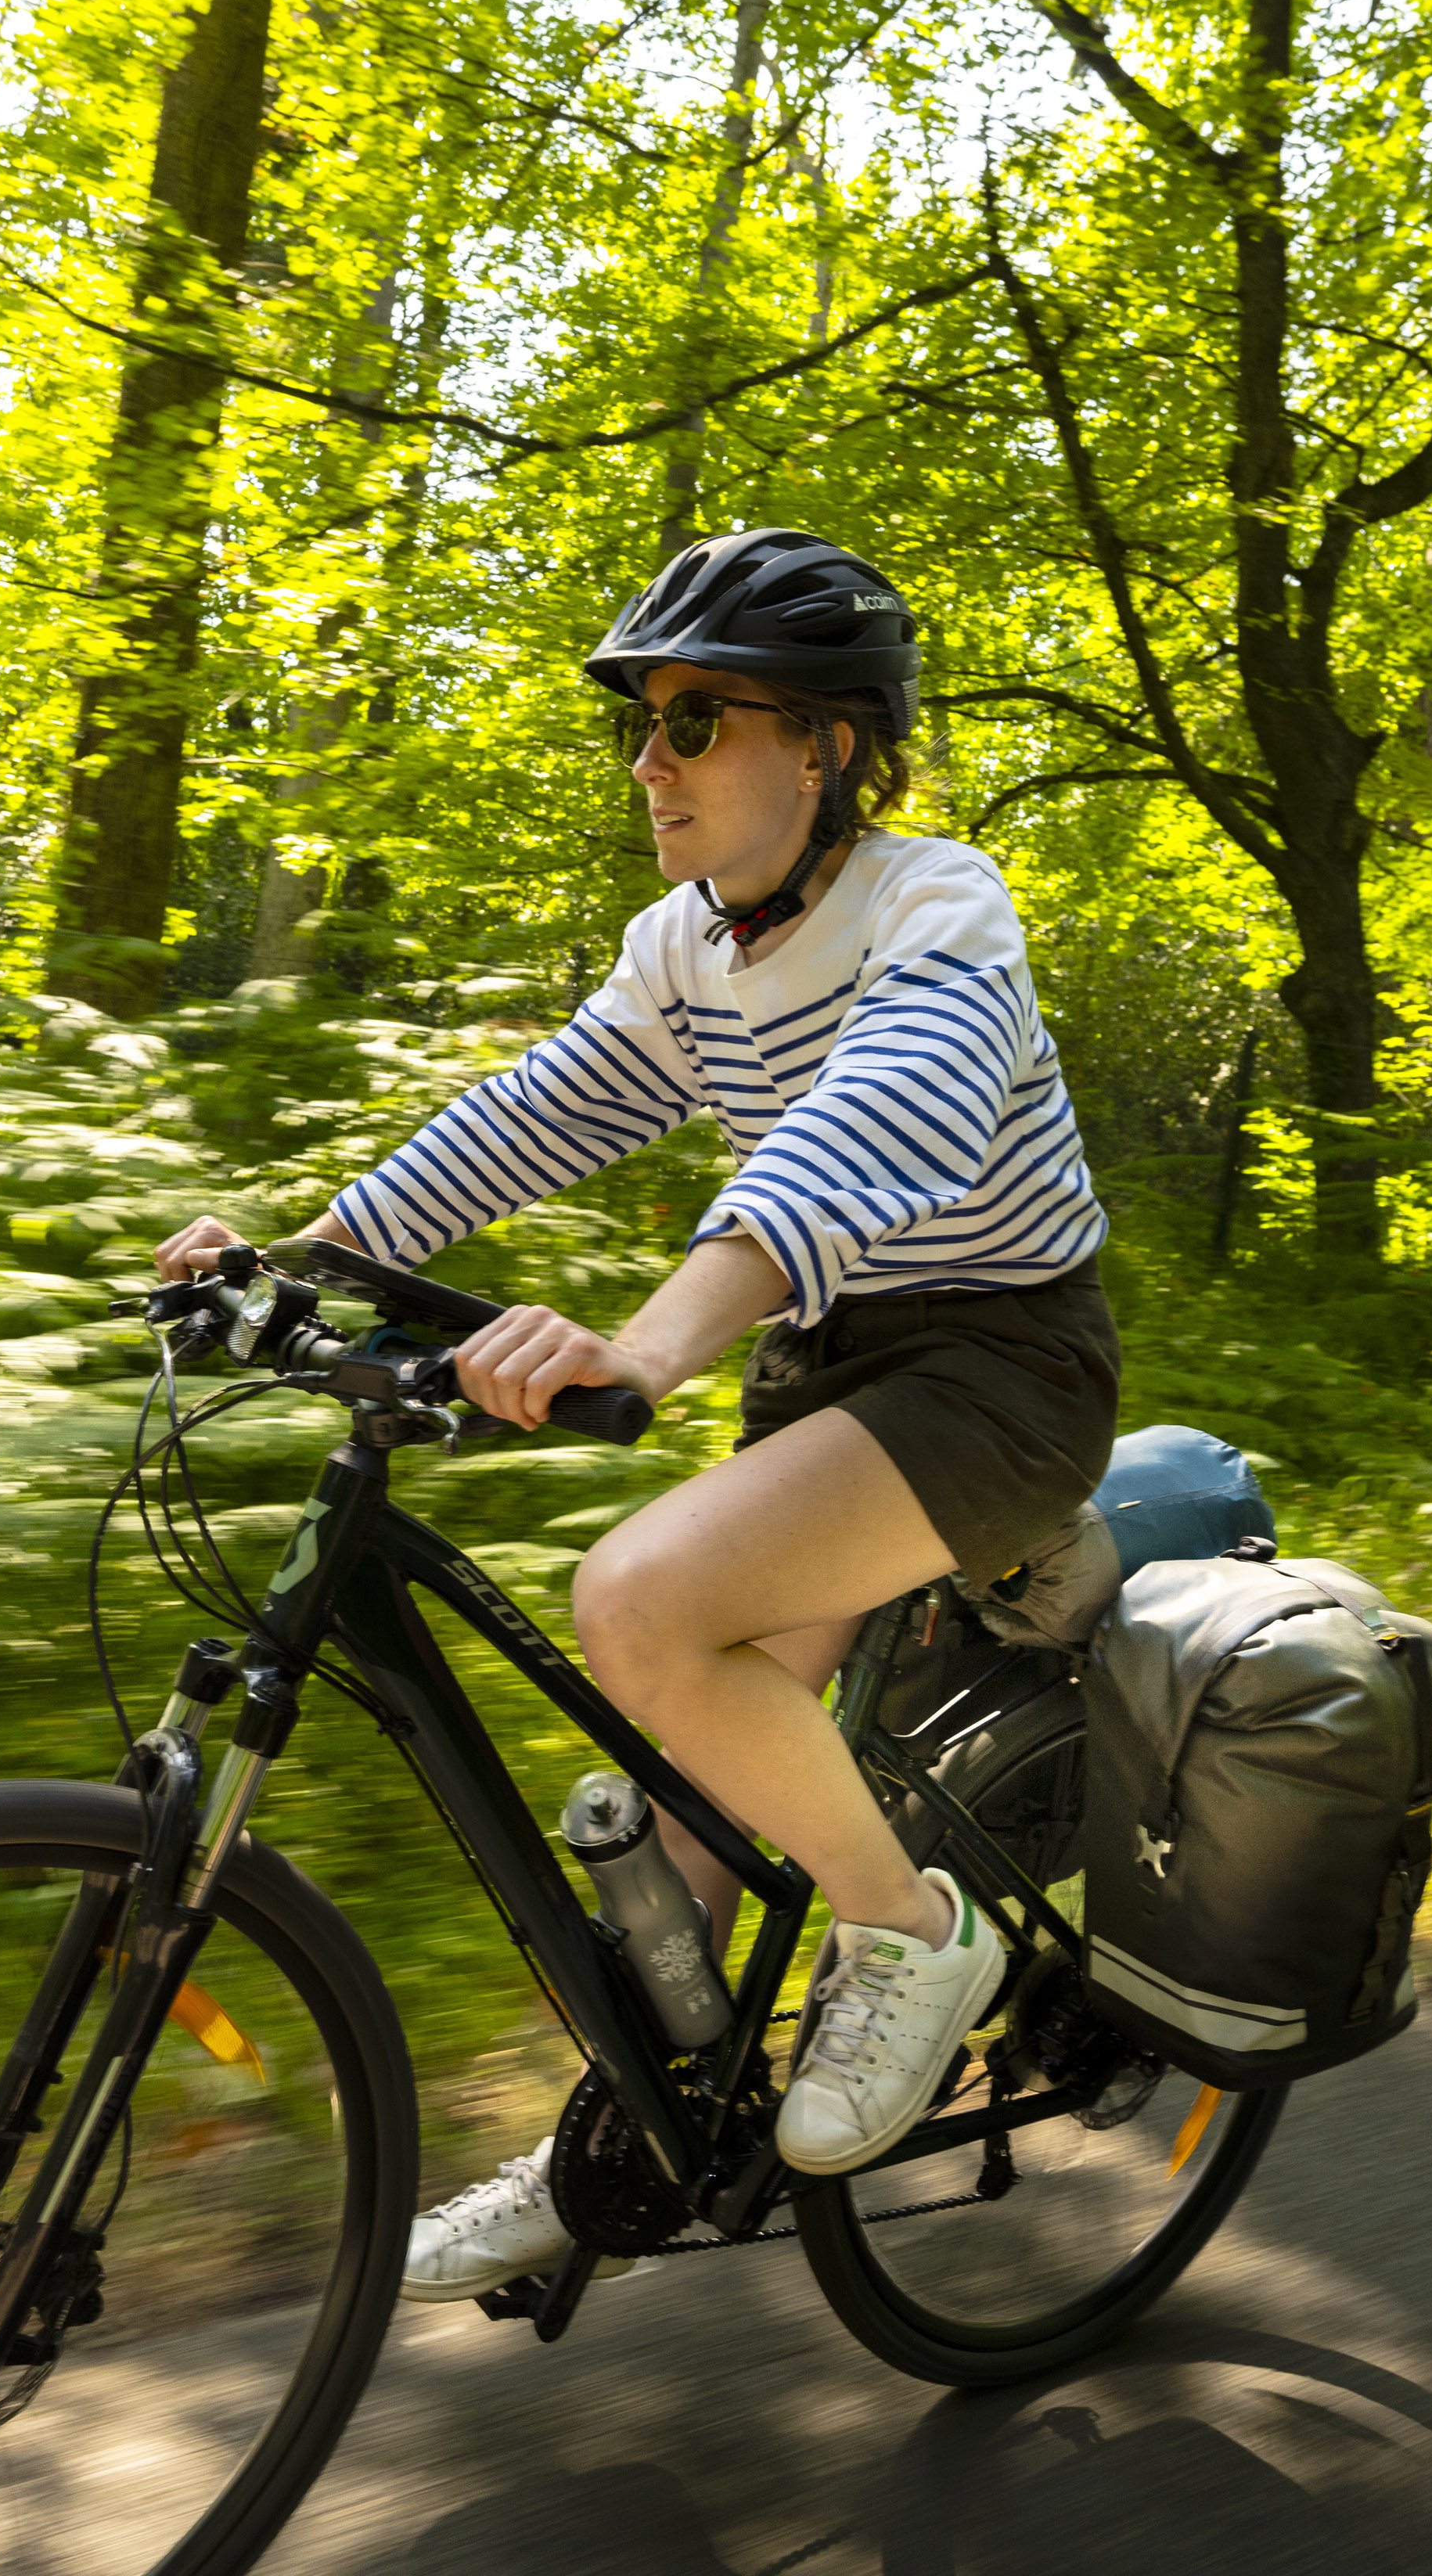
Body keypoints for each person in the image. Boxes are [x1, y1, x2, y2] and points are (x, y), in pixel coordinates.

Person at [151, 527, 1120, 2304]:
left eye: (692, 720)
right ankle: (630, 2137)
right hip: (825, 1364)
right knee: (688, 1803)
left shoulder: (937, 906)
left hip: (1000, 1370)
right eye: (639, 724)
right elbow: (537, 1115)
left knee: (641, 1602)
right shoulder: (685, 948)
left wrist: (656, 1343)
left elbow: (878, 1119)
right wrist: (305, 1259)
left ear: (824, 746)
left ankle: (917, 1936)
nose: (648, 762)